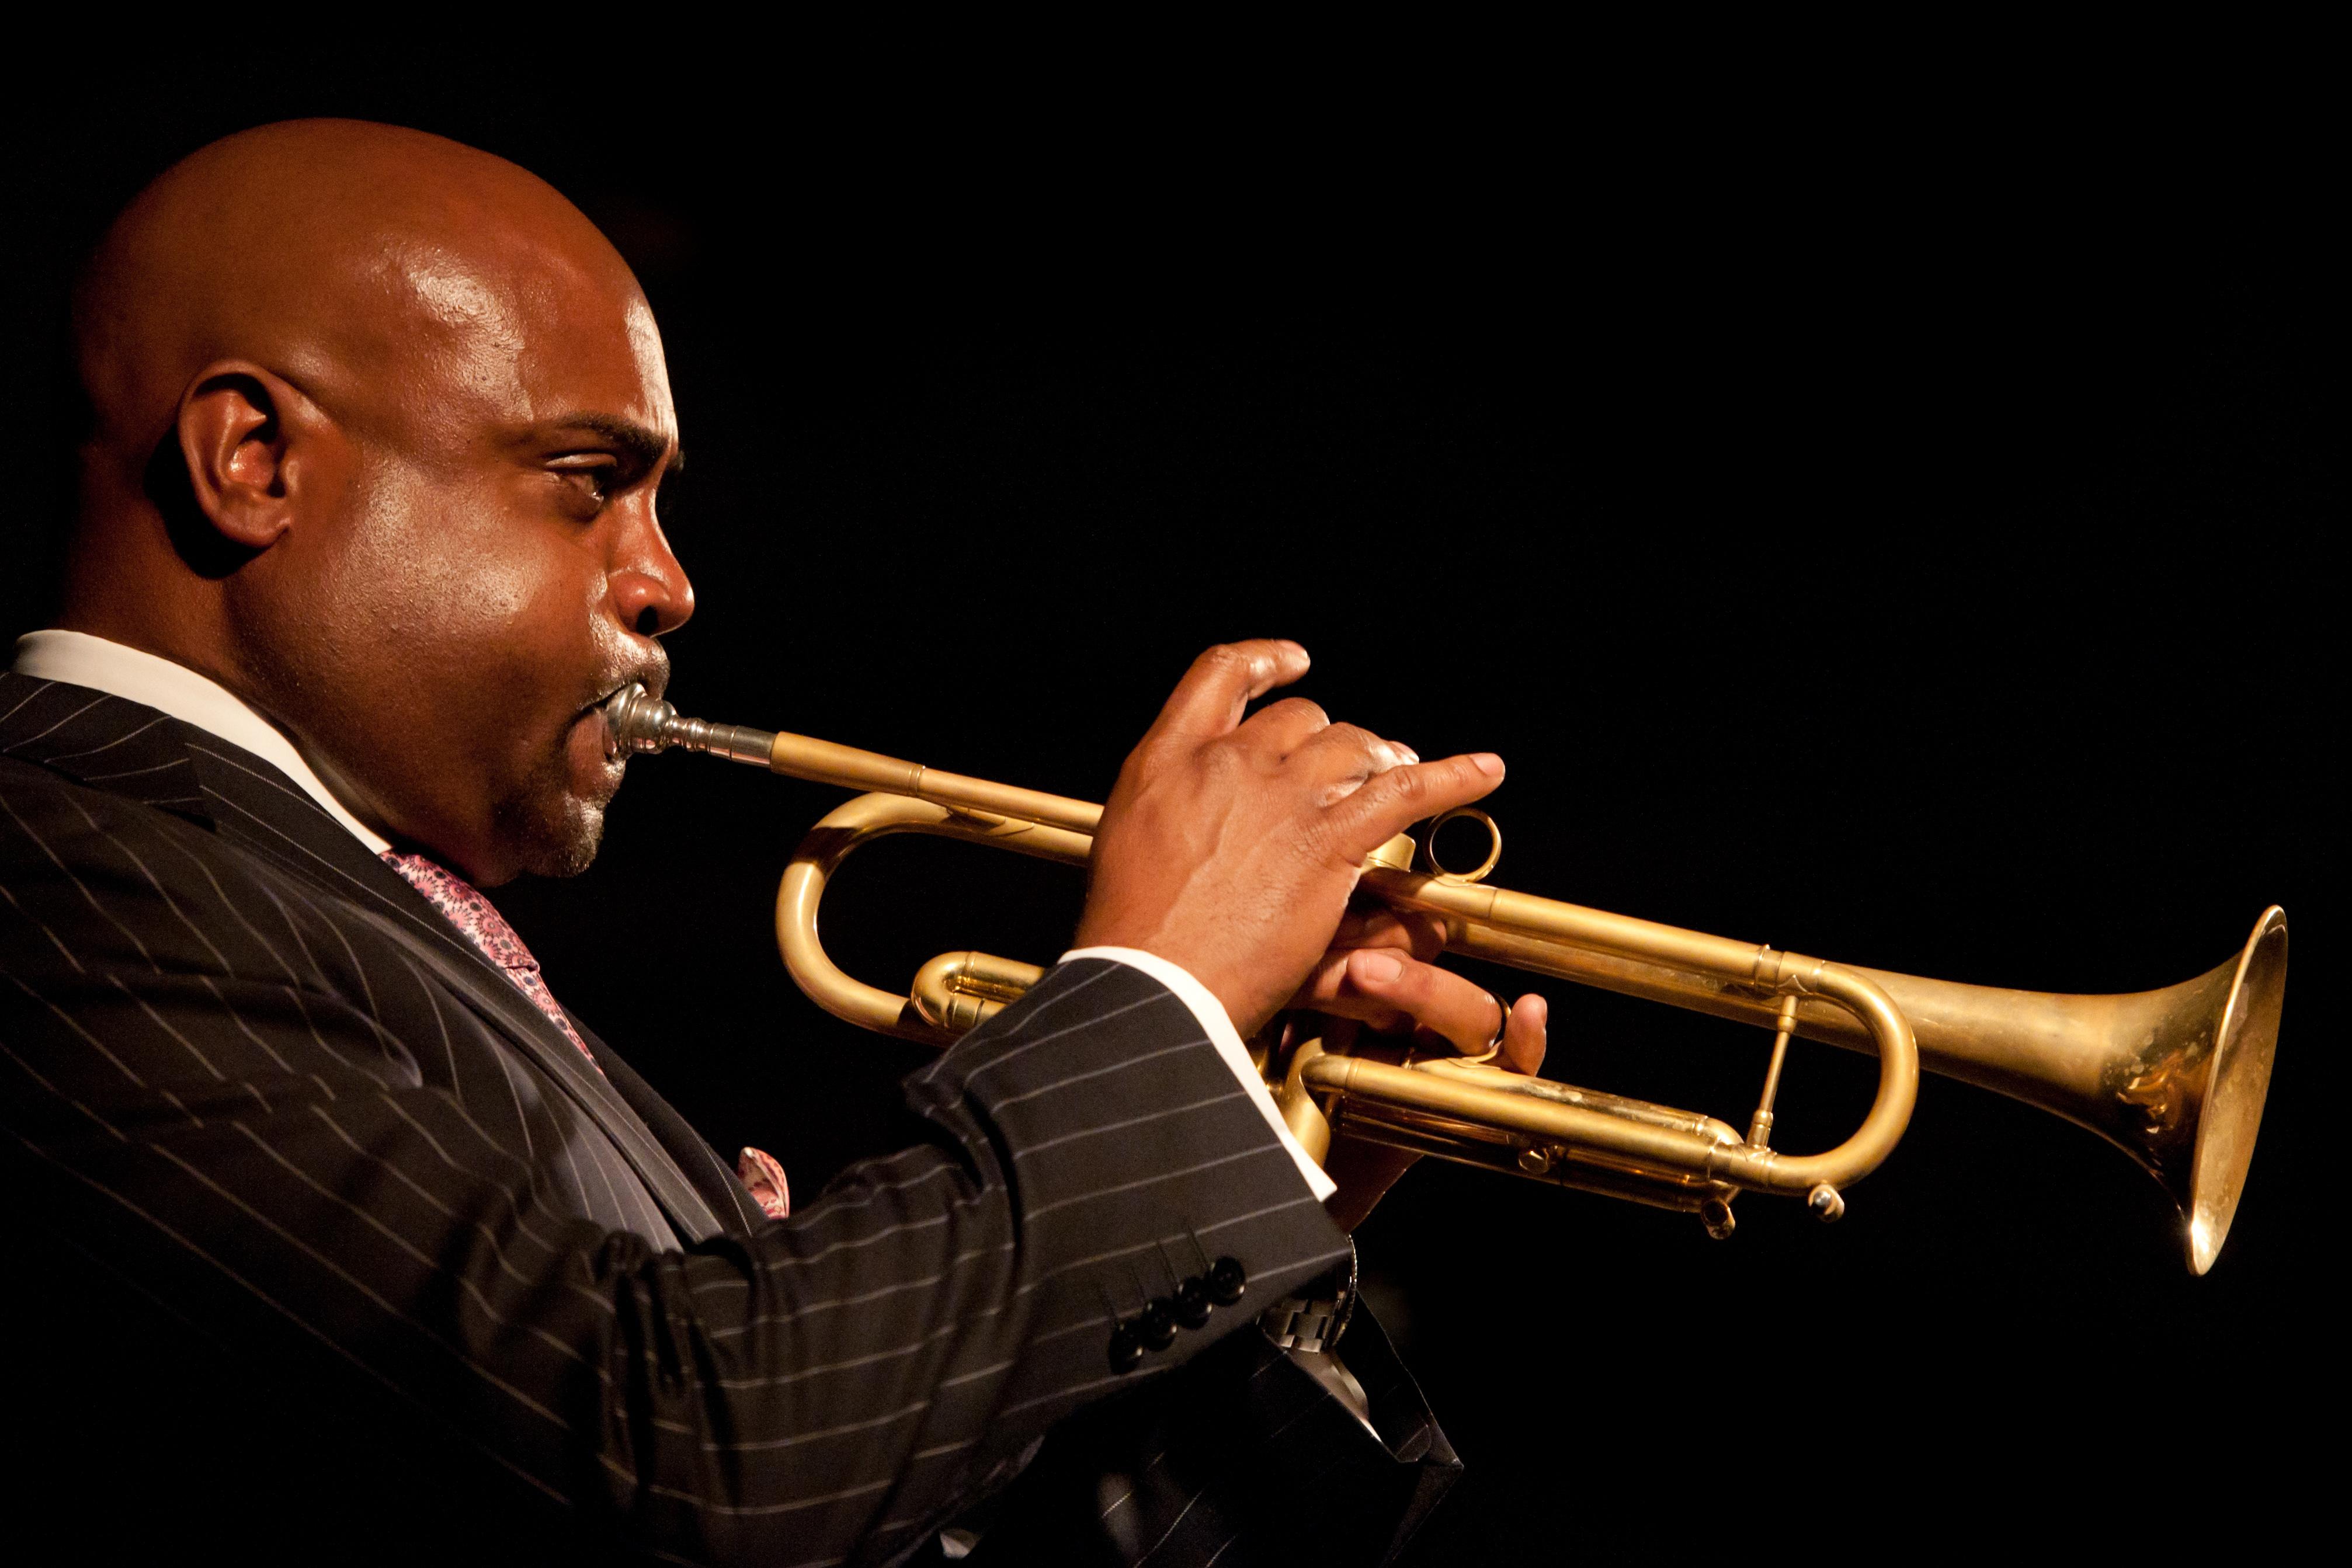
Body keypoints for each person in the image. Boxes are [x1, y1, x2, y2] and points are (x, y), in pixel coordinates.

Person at [0, 120, 1547, 1564]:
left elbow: (866, 1511)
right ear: (254, 461)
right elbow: (687, 1457)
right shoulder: (55, 866)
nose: (668, 586)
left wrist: (1237, 1153)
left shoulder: (357, 914)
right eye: (587, 483)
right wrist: (1155, 1001)